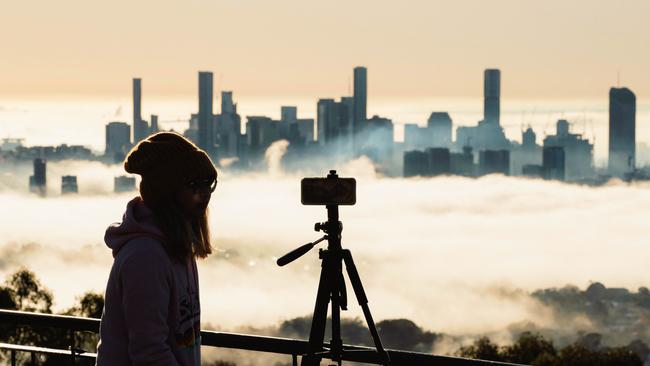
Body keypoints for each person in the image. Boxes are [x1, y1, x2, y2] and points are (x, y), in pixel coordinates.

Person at [96, 132, 217, 366]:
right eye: (194, 184)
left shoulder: (178, 248)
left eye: (208, 183)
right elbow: (149, 352)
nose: (204, 194)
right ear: (166, 192)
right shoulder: (145, 257)